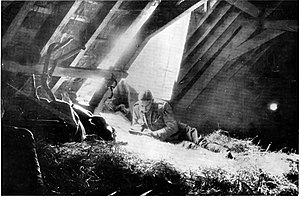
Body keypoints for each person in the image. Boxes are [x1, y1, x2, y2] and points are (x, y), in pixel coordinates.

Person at [129, 89, 233, 156]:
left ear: (152, 101)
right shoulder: (137, 108)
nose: (144, 109)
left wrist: (155, 134)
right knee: (194, 150)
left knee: (202, 143)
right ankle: (218, 158)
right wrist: (144, 131)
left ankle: (225, 152)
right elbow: (135, 126)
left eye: (146, 106)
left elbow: (173, 127)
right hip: (169, 138)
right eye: (142, 105)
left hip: (182, 131)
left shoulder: (162, 106)